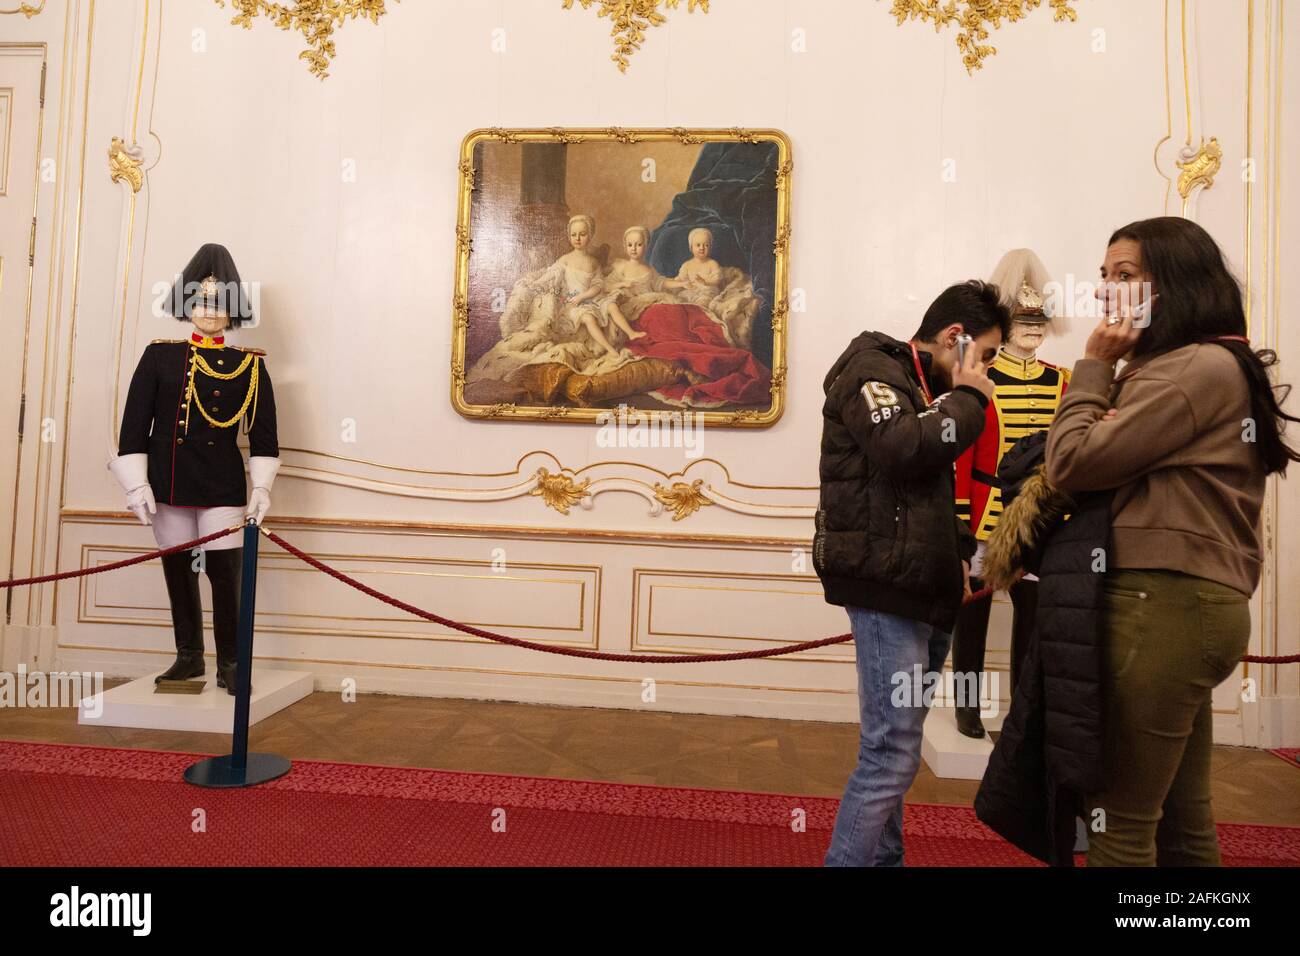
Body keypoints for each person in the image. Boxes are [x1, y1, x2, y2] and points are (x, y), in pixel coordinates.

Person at [1045, 216, 1299, 866]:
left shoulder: (1192, 369)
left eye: (1124, 275)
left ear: (1174, 286)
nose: (1102, 290)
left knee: (1118, 827)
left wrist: (1092, 367)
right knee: (1182, 824)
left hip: (1161, 607)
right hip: (1183, 609)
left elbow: (1070, 462)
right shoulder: (1198, 364)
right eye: (1103, 275)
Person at [814, 280, 1009, 866]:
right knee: (892, 754)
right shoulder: (872, 367)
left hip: (923, 585)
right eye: (986, 356)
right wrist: (971, 396)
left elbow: (921, 489)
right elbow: (901, 447)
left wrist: (961, 551)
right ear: (956, 337)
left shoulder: (922, 383)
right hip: (888, 588)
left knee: (893, 749)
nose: (988, 371)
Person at [109, 243, 280, 695]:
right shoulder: (159, 357)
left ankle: (231, 663)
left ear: (233, 310)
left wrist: (261, 488)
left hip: (222, 485)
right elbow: (133, 427)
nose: (209, 310)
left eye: (220, 302)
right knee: (179, 572)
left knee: (225, 576)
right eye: (201, 301)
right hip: (168, 483)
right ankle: (188, 657)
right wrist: (136, 485)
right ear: (187, 304)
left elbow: (264, 437)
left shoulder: (250, 366)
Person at [951, 249, 1070, 737]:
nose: (1033, 328)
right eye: (1024, 319)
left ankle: (1021, 713)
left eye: (1039, 319)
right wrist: (960, 520)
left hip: (1039, 517)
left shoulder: (1062, 381)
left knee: (1033, 618)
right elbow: (960, 456)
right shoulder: (979, 379)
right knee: (972, 618)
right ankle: (966, 706)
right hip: (986, 514)